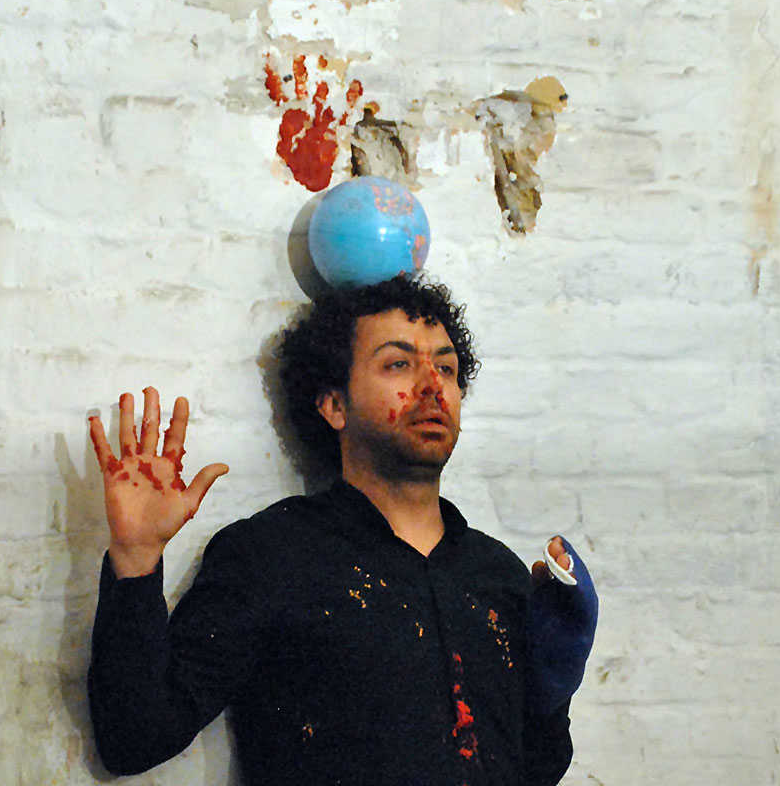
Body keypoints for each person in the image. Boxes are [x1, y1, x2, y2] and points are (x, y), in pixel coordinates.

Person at [86, 275, 598, 786]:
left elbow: (536, 769)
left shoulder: (497, 574)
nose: (432, 385)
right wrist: (136, 558)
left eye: (446, 367)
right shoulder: (272, 556)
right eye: (398, 364)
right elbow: (134, 738)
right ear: (334, 404)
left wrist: (554, 694)